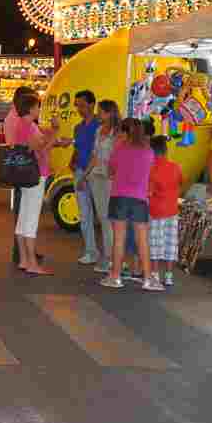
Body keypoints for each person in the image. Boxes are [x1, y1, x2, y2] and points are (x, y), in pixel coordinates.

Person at [4, 88, 57, 276]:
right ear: (30, 109)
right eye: (37, 107)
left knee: (23, 218)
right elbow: (41, 149)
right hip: (36, 173)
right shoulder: (29, 126)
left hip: (23, 174)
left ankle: (25, 260)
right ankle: (32, 262)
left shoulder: (20, 125)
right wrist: (55, 133)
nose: (39, 110)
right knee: (31, 219)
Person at [103, 118, 158, 291]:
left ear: (126, 132)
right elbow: (150, 174)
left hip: (119, 197)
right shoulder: (149, 152)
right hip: (140, 199)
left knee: (119, 239)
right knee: (143, 240)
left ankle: (115, 277)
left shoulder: (119, 149)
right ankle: (148, 279)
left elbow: (110, 170)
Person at [84, 99, 120, 274]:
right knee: (103, 218)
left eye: (101, 111)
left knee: (108, 220)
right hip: (96, 177)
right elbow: (94, 155)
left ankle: (110, 258)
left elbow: (119, 158)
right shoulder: (99, 131)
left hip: (110, 180)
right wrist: (84, 176)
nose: (98, 114)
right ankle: (109, 258)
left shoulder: (118, 134)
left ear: (109, 113)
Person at [68, 89, 101, 266]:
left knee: (103, 215)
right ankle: (91, 251)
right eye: (77, 105)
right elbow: (77, 147)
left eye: (81, 105)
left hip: (97, 174)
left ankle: (109, 255)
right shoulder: (78, 128)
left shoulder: (100, 126)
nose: (79, 109)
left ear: (91, 104)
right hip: (80, 172)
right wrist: (72, 161)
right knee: (85, 214)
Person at [147, 134, 183, 289]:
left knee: (155, 243)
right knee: (170, 243)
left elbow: (148, 192)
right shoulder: (176, 167)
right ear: (166, 150)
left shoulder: (151, 169)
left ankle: (155, 273)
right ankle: (168, 276)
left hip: (155, 211)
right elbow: (181, 181)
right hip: (172, 211)